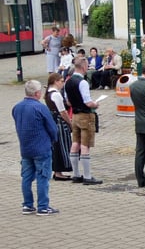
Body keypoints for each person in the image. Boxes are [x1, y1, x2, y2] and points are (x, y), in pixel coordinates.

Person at [13, 80, 59, 215]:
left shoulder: (17, 107)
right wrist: (53, 140)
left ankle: (27, 205)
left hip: (25, 148)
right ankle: (43, 206)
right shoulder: (40, 108)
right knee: (42, 177)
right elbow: (52, 128)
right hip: (41, 147)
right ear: (37, 93)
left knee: (26, 177)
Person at [65, 57, 102, 185]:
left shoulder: (68, 82)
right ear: (83, 66)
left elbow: (68, 102)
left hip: (74, 115)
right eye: (87, 65)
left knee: (75, 143)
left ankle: (76, 174)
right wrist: (95, 104)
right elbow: (87, 102)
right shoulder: (83, 82)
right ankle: (87, 176)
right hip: (85, 116)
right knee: (85, 144)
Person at [45, 73, 72, 181]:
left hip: (53, 120)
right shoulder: (56, 94)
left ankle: (57, 171)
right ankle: (59, 171)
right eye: (61, 81)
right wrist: (70, 123)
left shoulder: (48, 93)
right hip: (59, 121)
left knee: (56, 145)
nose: (63, 83)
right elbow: (62, 112)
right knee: (61, 145)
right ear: (55, 81)